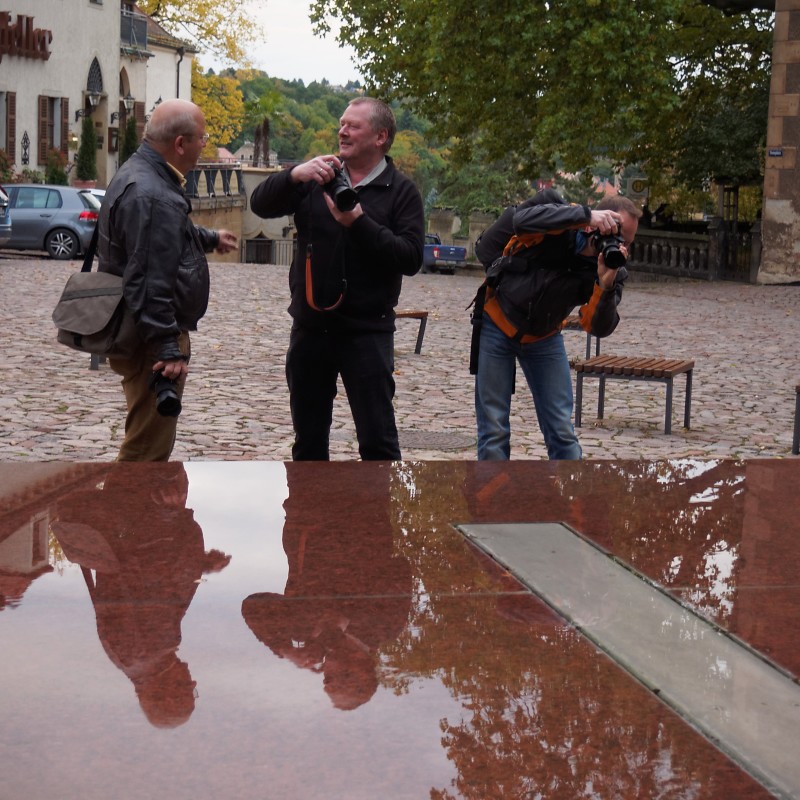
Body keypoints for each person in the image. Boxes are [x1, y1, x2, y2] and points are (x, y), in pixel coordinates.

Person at [250, 97, 425, 461]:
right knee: (309, 443)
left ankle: (377, 519)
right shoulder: (318, 177)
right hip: (311, 328)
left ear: (380, 136)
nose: (342, 131)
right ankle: (308, 518)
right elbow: (260, 205)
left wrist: (358, 223)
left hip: (367, 332)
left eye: (353, 125)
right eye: (342, 124)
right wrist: (294, 174)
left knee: (378, 443)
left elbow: (410, 258)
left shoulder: (402, 191)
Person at [97, 98, 237, 461]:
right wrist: (168, 349)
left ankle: (131, 514)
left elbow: (151, 239)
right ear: (179, 144)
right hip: (150, 339)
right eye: (201, 138)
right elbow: (147, 280)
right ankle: (126, 516)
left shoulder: (138, 173)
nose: (204, 145)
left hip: (135, 327)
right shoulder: (155, 195)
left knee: (145, 439)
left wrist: (207, 238)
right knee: (146, 451)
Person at [473, 190, 641, 460]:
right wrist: (583, 216)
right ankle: (494, 503)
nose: (620, 247)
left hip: (544, 336)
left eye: (627, 242)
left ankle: (568, 500)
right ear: (597, 223)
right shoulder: (560, 217)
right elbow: (522, 221)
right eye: (615, 235)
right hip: (498, 322)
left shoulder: (612, 269)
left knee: (562, 432)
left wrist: (605, 285)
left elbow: (599, 327)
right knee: (494, 432)